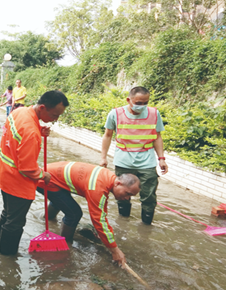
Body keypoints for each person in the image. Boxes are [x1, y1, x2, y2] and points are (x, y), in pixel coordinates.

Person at [0, 90, 69, 255]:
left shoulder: (19, 112)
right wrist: (44, 175)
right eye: (54, 115)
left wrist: (38, 129)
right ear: (42, 107)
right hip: (17, 182)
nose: (55, 120)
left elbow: (17, 136)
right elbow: (27, 168)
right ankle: (7, 260)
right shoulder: (31, 133)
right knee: (15, 222)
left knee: (7, 213)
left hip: (3, 173)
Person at [36, 161, 141, 266]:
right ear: (118, 183)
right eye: (127, 193)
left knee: (63, 202)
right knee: (74, 213)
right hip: (46, 179)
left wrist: (107, 236)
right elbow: (99, 220)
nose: (127, 198)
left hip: (51, 174)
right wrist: (115, 250)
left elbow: (102, 211)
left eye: (130, 196)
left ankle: (48, 218)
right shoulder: (97, 188)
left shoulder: (108, 176)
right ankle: (65, 245)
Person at [100, 86, 168, 225]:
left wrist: (161, 159)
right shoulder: (116, 114)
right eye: (138, 103)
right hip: (123, 161)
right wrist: (103, 157)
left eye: (145, 103)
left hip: (147, 162)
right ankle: (123, 222)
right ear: (128, 100)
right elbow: (107, 135)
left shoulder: (154, 114)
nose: (141, 106)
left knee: (149, 195)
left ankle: (146, 225)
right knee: (122, 193)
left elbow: (157, 137)